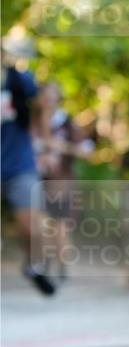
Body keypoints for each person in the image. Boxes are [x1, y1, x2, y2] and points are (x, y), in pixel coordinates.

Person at [0, 41, 56, 295]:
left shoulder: (20, 80)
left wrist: (46, 147)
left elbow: (42, 108)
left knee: (30, 225)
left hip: (18, 163)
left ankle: (34, 266)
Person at [32, 81, 95, 281]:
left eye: (53, 95)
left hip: (61, 181)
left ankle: (61, 266)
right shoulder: (31, 123)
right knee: (40, 224)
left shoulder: (65, 122)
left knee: (59, 225)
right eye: (46, 96)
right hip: (35, 181)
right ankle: (44, 262)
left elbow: (86, 149)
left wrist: (61, 147)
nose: (49, 100)